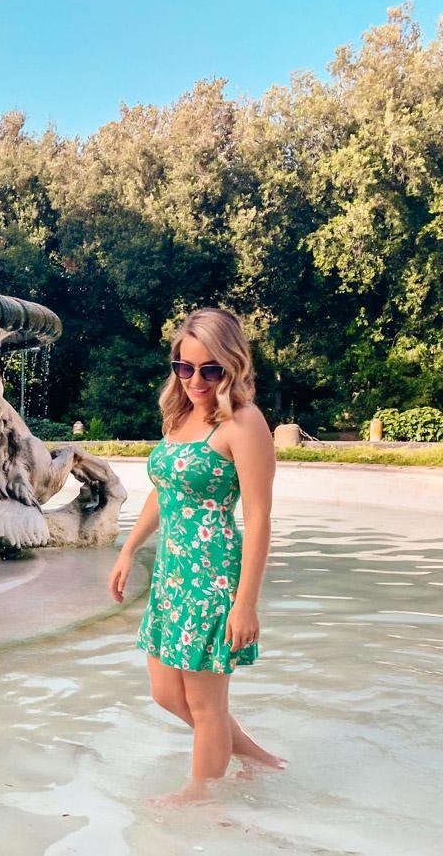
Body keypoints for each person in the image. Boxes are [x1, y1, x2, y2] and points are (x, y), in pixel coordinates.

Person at [109, 307, 285, 804]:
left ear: (232, 366)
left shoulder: (244, 423)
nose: (195, 380)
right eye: (184, 368)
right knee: (166, 692)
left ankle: (201, 797)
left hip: (213, 576)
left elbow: (259, 517)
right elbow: (163, 490)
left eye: (209, 369)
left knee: (206, 704)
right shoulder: (181, 414)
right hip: (172, 575)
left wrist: (245, 602)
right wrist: (128, 550)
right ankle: (253, 756)